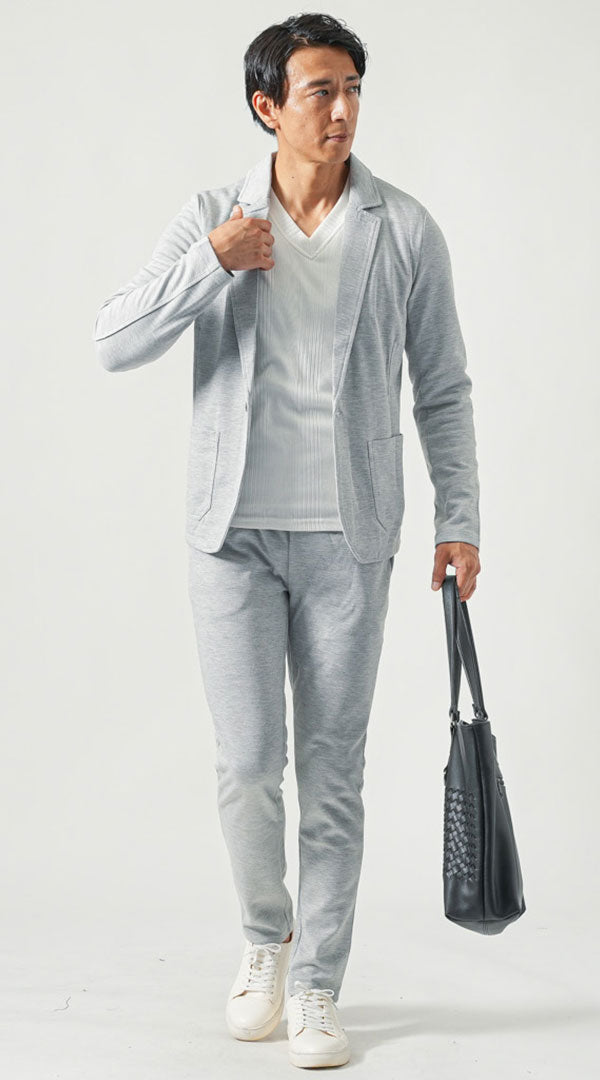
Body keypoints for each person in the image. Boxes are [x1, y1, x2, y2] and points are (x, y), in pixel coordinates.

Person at [93, 11, 482, 1070]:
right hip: (231, 538)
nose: (343, 109)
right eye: (321, 91)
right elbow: (113, 341)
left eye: (352, 89)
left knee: (333, 771)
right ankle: (267, 939)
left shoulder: (403, 229)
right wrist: (212, 264)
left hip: (351, 539)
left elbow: (443, 388)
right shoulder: (214, 217)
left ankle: (317, 985)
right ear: (268, 106)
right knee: (247, 766)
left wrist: (459, 518)